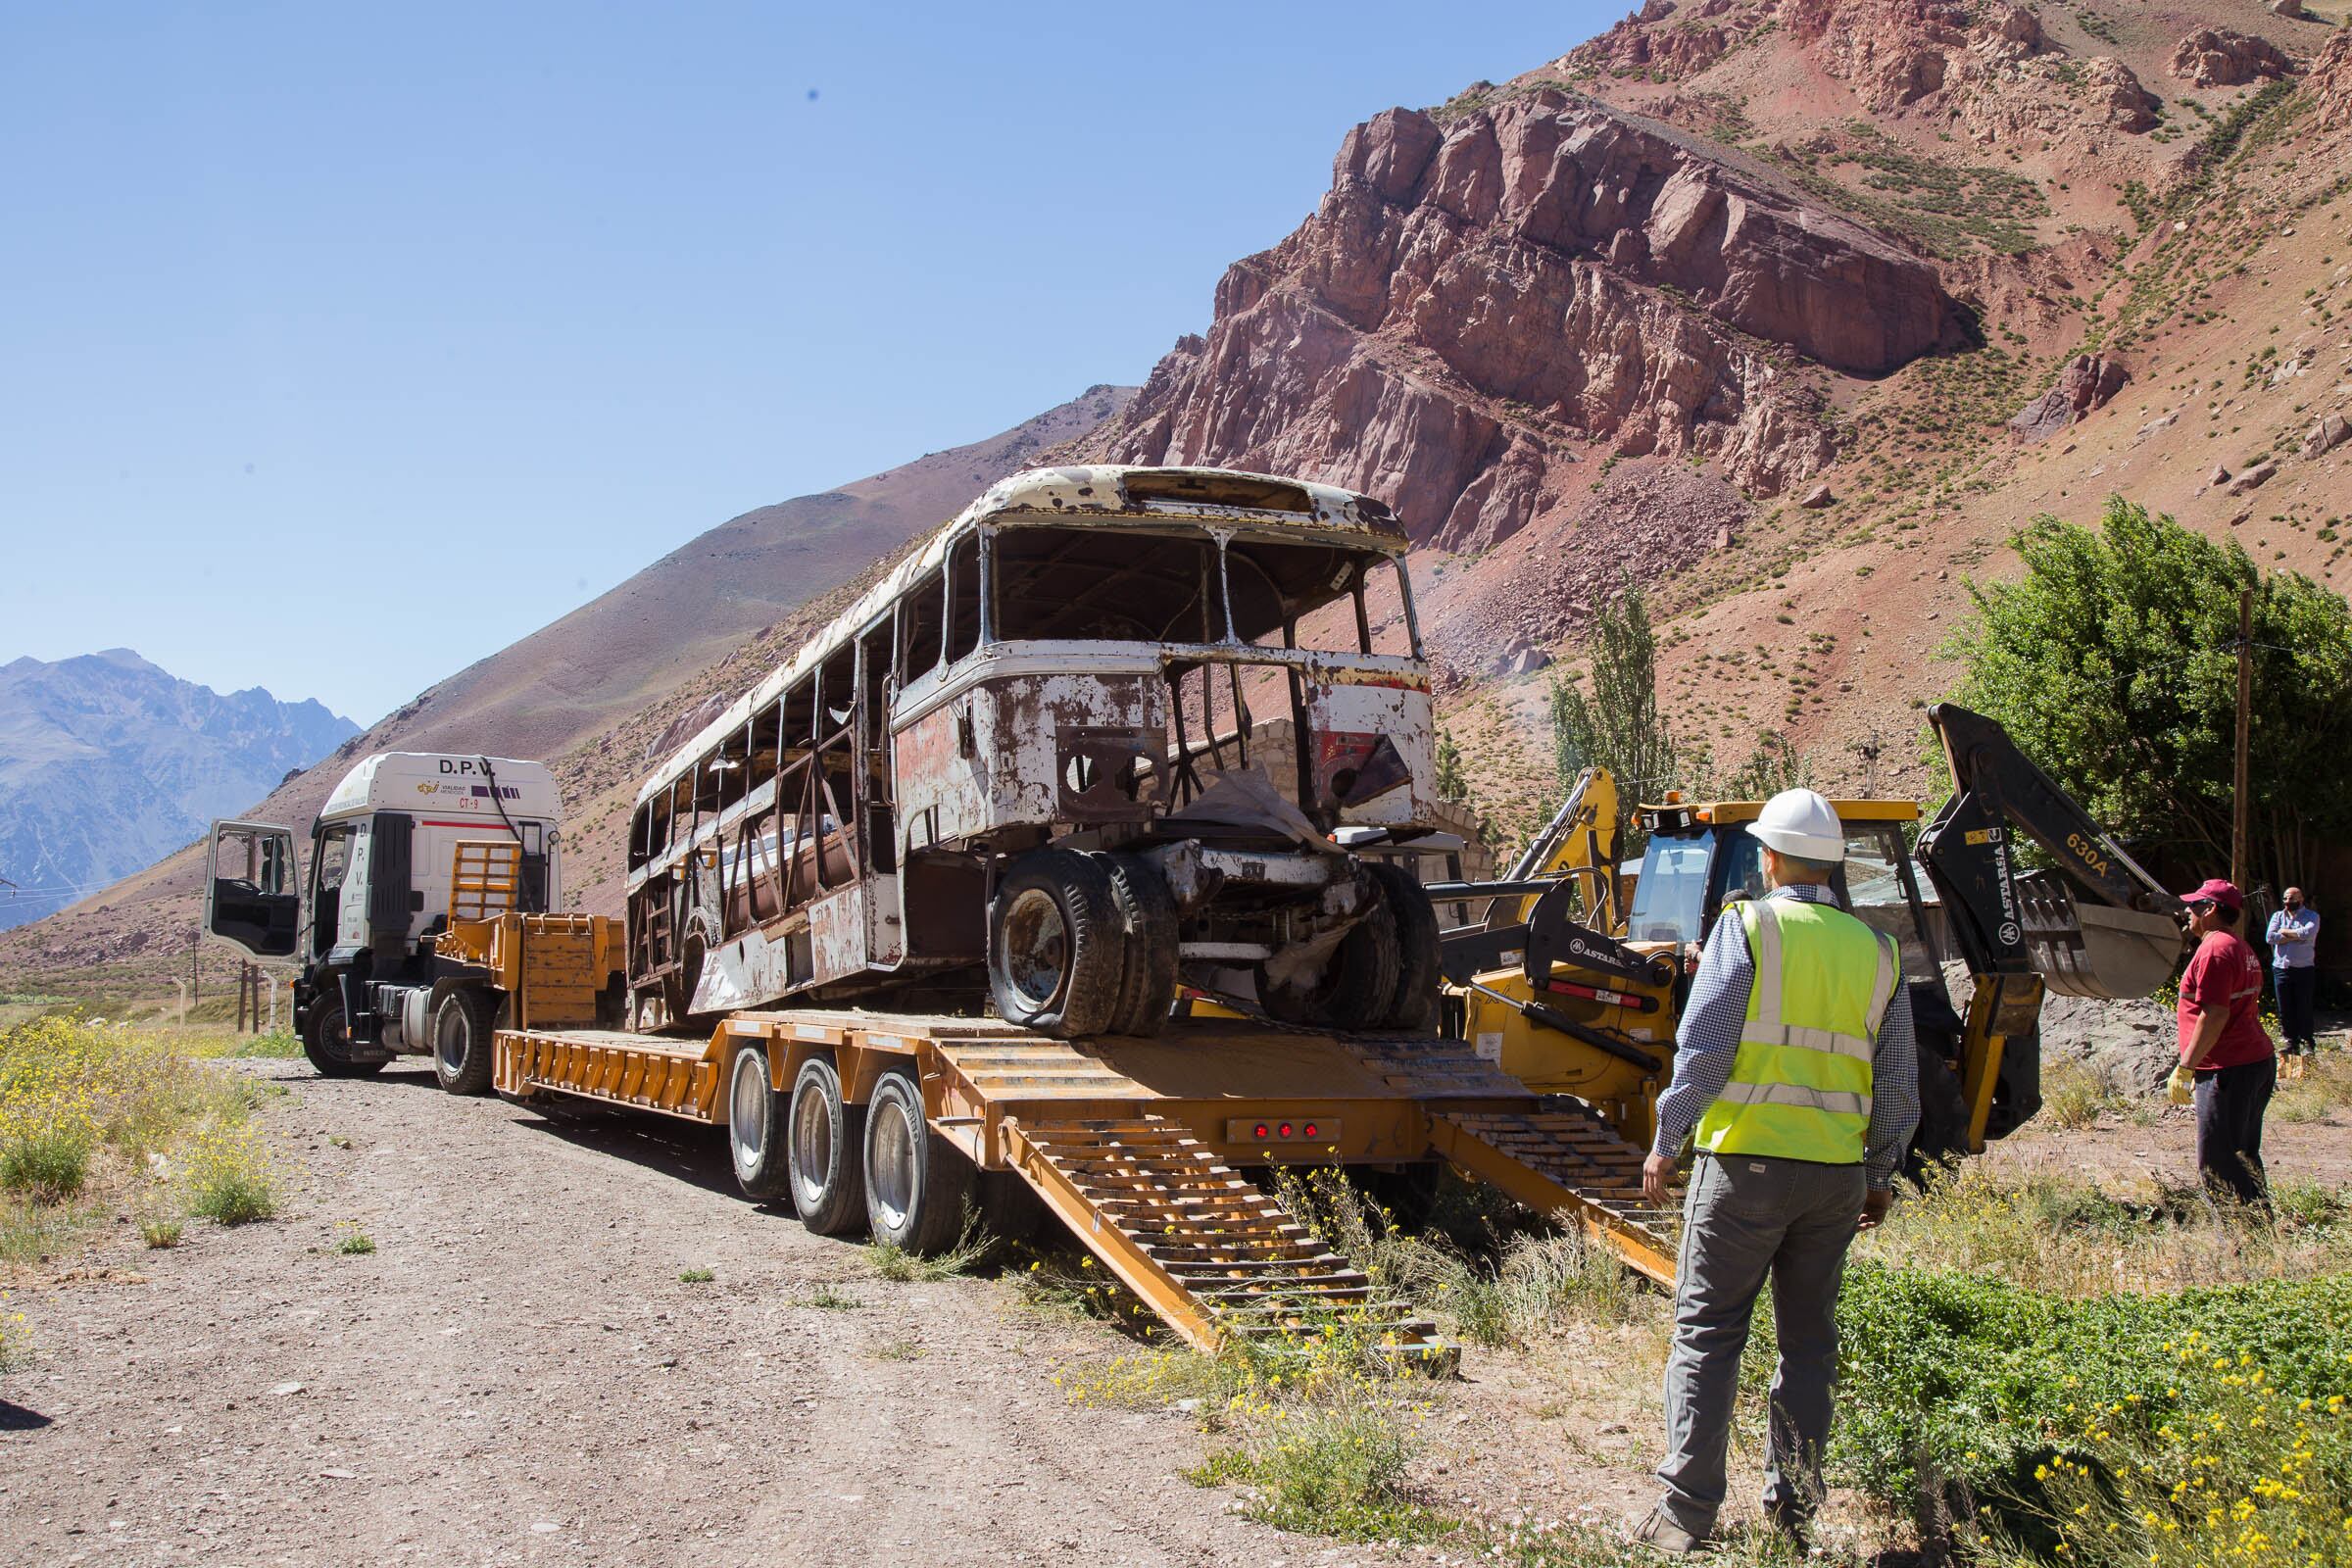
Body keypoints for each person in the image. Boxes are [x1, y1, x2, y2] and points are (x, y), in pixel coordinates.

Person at [1631, 789, 1919, 1553]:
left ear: (1771, 857)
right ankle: (1793, 1515)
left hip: (1744, 1169)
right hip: (1835, 1180)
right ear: (1834, 866)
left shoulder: (1748, 926)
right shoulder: (1879, 952)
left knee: (1708, 1332)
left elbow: (1707, 1046)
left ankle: (1685, 1516)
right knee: (1808, 1346)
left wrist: (1668, 1135)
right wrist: (1881, 1172)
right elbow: (1896, 1083)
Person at [2172, 878, 2277, 1207]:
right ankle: (2260, 1225)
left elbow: (2214, 1014)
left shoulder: (2215, 950)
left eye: (2195, 905)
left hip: (2226, 1069)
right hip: (2252, 1061)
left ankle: (2239, 1236)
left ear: (2212, 909)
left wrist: (2186, 1066)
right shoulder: (2238, 946)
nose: (2188, 911)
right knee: (2242, 1152)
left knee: (2218, 1161)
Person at [2265, 887, 2320, 1057]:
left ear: (2301, 899)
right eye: (2286, 899)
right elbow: (2270, 937)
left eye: (2293, 898)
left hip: (2303, 969)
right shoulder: (2277, 916)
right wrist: (2296, 935)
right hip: (2281, 968)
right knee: (2285, 1008)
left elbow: (2308, 933)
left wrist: (2283, 932)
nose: (2289, 902)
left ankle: (2307, 1042)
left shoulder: (2312, 916)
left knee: (2303, 1006)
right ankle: (2290, 1041)